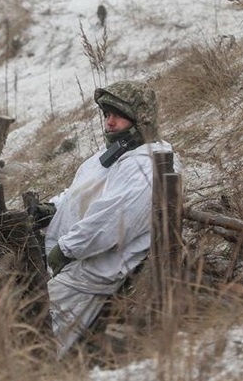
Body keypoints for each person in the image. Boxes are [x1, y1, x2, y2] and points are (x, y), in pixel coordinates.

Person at [34, 80, 179, 358]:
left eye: (118, 116)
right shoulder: (112, 156)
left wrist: (65, 251)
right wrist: (53, 207)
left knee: (40, 341)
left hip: (88, 275)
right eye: (106, 115)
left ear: (140, 119)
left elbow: (112, 224)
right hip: (67, 265)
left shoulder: (150, 165)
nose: (109, 122)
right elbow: (82, 192)